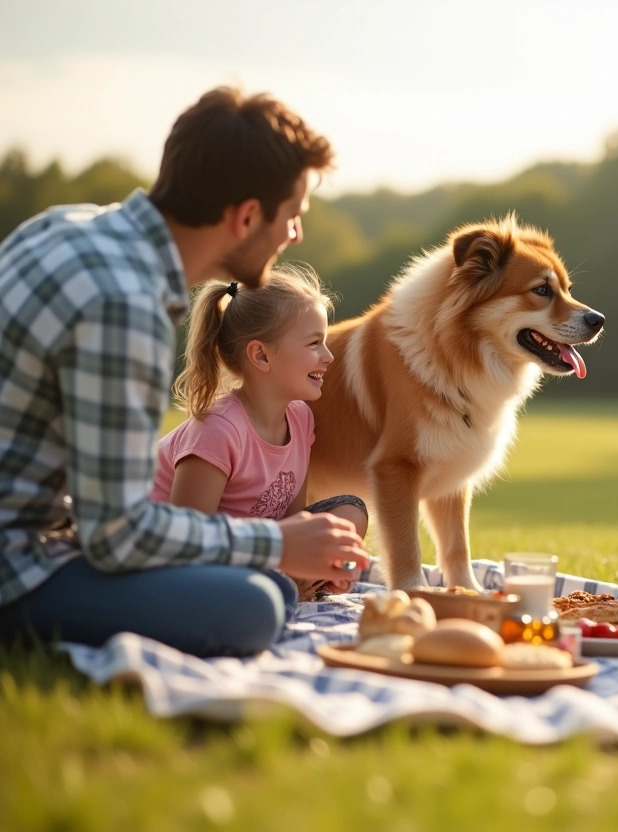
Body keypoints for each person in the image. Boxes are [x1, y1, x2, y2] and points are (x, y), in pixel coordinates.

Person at [0, 87, 370, 657]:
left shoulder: (63, 227)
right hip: (17, 567)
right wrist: (272, 542)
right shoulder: (124, 303)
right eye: (292, 217)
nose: (294, 235)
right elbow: (119, 537)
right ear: (247, 217)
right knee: (253, 604)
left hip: (44, 530)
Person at [151, 265, 369, 602]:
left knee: (349, 514)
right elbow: (187, 540)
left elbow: (294, 519)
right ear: (262, 355)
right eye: (314, 343)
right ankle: (281, 587)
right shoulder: (217, 430)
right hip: (181, 560)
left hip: (260, 552)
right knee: (272, 589)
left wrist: (322, 563)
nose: (328, 356)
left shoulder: (300, 419)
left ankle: (294, 586)